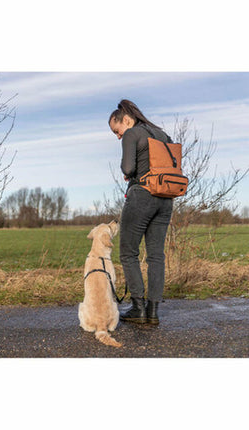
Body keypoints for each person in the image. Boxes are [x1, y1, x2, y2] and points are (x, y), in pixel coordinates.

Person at [108, 99, 173, 324]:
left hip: (142, 195)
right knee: (156, 255)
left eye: (117, 131)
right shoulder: (162, 134)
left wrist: (126, 170)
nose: (118, 136)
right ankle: (153, 310)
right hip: (165, 199)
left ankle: (138, 308)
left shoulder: (132, 134)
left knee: (128, 252)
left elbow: (128, 168)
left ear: (126, 120)